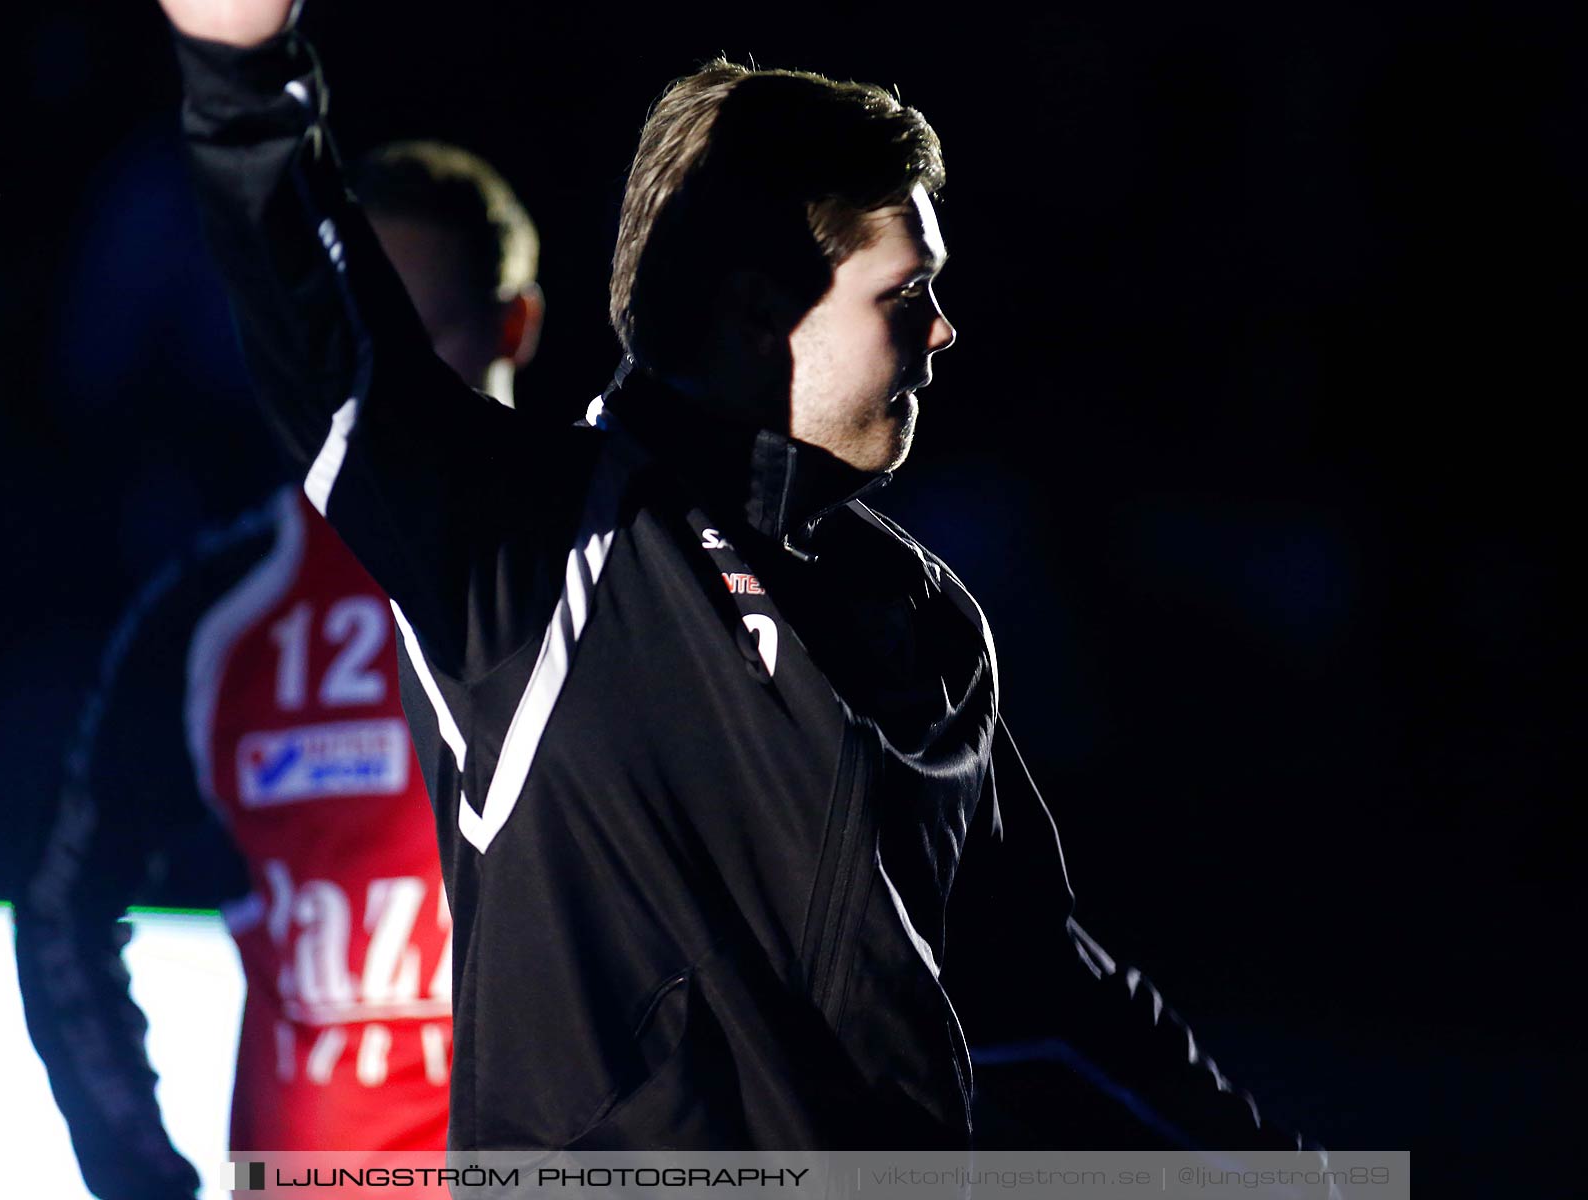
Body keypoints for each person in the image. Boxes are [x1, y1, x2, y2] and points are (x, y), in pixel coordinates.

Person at [155, 0, 1327, 1157]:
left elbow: (1050, 997)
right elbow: (325, 336)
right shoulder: (535, 535)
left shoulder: (929, 623)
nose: (944, 333)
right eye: (905, 294)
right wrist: (240, 66)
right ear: (762, 309)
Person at [14, 140, 543, 1198]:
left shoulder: (620, 580)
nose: (383, 388)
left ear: (514, 326)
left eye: (420, 337)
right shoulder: (216, 614)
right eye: (352, 343)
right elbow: (63, 908)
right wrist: (137, 1175)